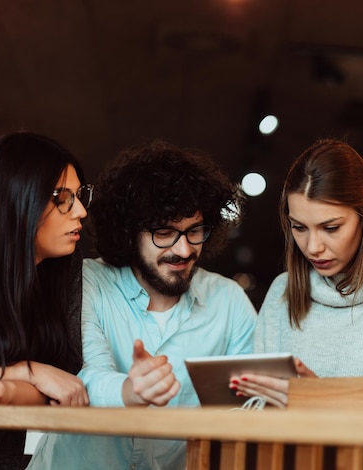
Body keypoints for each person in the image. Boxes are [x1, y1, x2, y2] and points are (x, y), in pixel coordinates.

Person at [27, 139, 257, 469]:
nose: (183, 250)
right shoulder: (87, 279)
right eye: (164, 233)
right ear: (130, 231)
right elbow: (85, 372)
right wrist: (131, 391)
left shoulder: (228, 301)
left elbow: (250, 406)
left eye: (195, 231)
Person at [230, 138, 363, 408]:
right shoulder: (283, 290)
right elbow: (253, 406)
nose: (313, 247)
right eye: (299, 227)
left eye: (331, 228)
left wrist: (318, 398)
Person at [0, 132, 91, 469]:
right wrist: (25, 372)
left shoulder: (59, 277)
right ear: (15, 198)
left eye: (78, 195)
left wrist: (8, 383)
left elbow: (59, 390)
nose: (81, 211)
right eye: (62, 197)